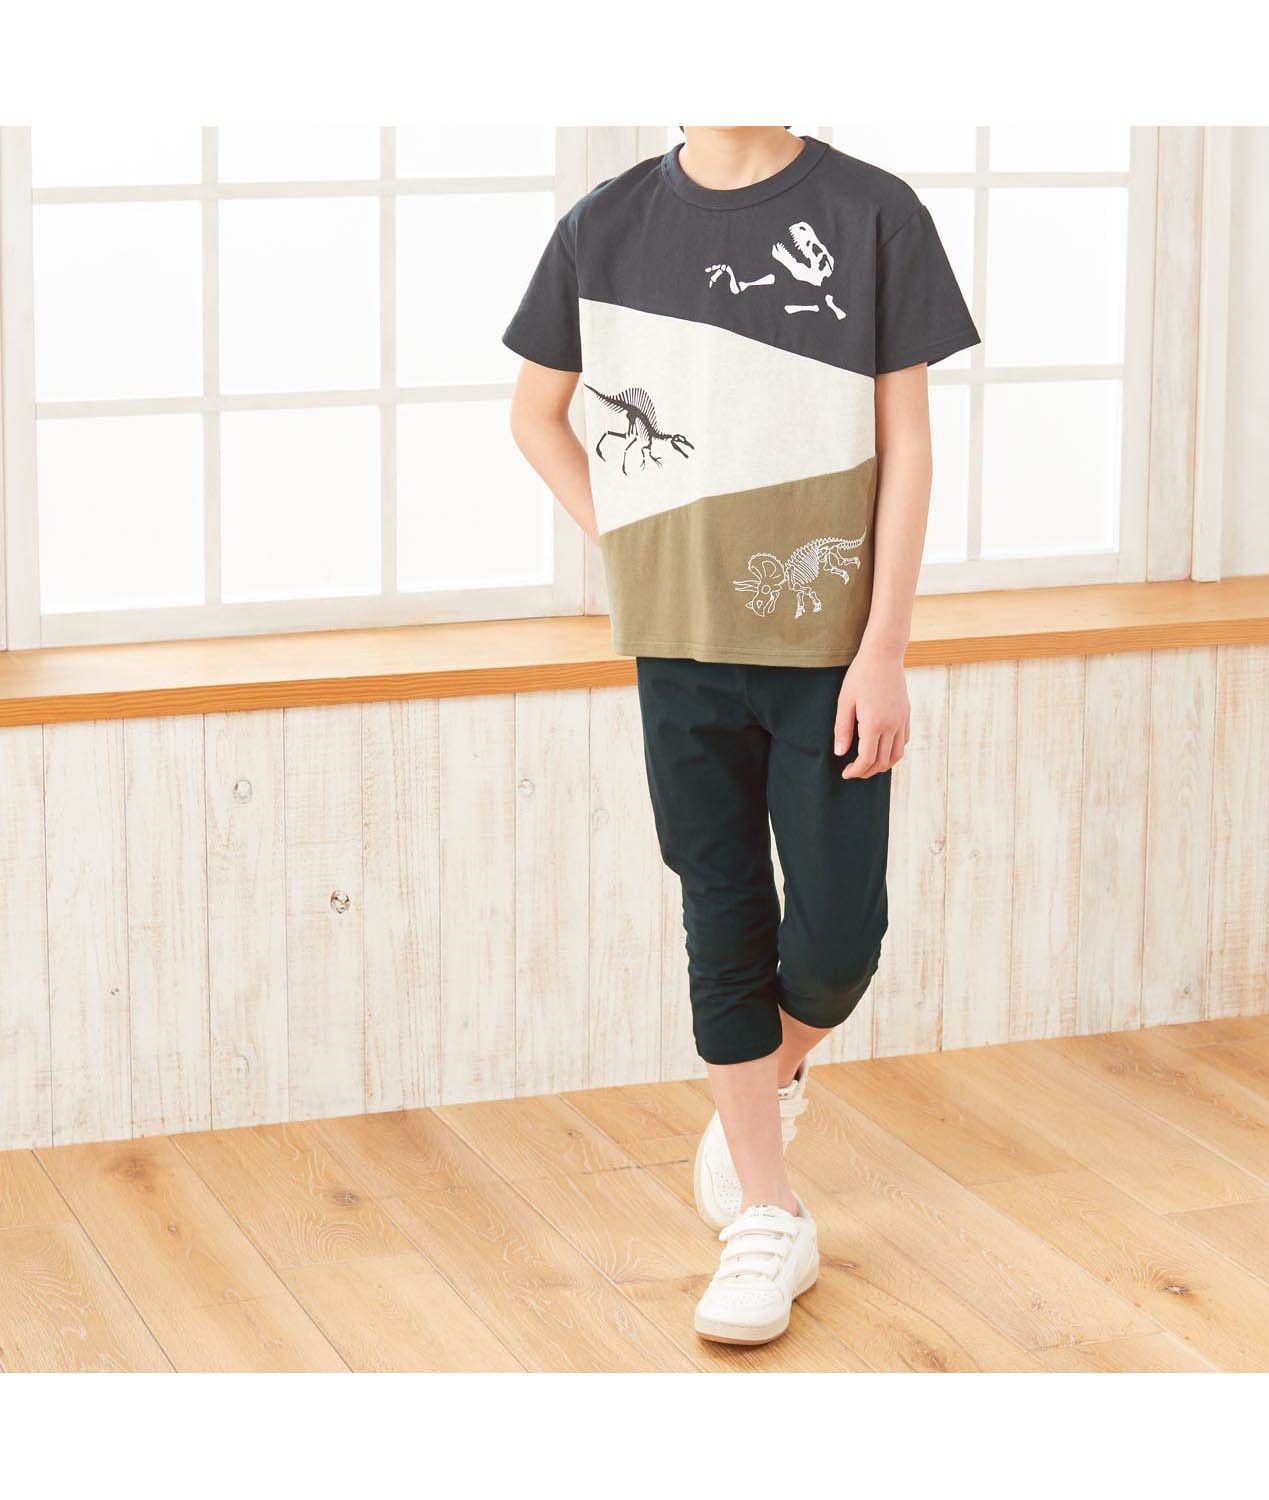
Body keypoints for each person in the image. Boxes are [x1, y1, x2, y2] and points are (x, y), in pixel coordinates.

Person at [505, 126, 978, 1346]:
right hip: (680, 646)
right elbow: (536, 416)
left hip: (829, 650)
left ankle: (755, 1090)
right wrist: (636, 547)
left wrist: (885, 648)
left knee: (840, 937)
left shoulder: (874, 213)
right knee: (719, 911)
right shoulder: (604, 226)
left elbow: (910, 444)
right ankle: (766, 1214)